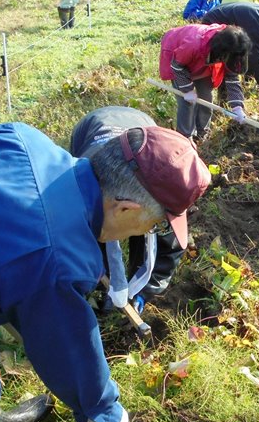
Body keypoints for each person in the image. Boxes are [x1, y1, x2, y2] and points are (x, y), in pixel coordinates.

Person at [0, 118, 211, 422]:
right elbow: (67, 348)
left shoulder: (22, 140)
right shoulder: (58, 260)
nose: (150, 231)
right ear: (126, 209)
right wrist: (105, 415)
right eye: (157, 224)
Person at [70, 106, 189, 315]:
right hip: (94, 125)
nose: (158, 227)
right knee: (100, 227)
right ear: (125, 208)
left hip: (141, 125)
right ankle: (103, 289)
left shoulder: (168, 183)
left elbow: (171, 243)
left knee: (143, 226)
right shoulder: (77, 186)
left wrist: (147, 288)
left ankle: (134, 285)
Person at [159, 23, 252, 139]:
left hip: (202, 61)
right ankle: (185, 137)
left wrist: (237, 106)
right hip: (178, 57)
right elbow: (177, 66)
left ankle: (202, 134)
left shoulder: (234, 50)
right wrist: (187, 89)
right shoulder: (193, 44)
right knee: (187, 103)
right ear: (222, 52)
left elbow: (232, 78)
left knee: (206, 99)